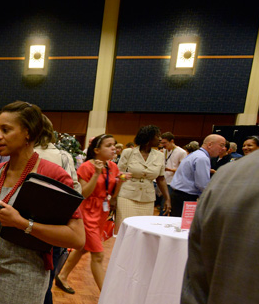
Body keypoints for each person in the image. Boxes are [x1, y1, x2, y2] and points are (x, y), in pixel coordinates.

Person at [0, 101, 85, 303]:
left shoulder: (53, 175)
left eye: (6, 130)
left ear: (27, 133)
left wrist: (22, 223)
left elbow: (77, 238)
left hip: (26, 278)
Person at [182, 137, 259, 304]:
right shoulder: (225, 171)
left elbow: (195, 287)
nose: (246, 147)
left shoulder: (228, 175)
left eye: (250, 145)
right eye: (245, 145)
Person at [56, 134, 129, 293]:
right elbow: (84, 194)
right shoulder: (86, 167)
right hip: (87, 212)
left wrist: (121, 181)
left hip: (101, 211)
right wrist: (96, 174)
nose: (113, 148)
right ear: (96, 150)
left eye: (114, 145)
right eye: (108, 145)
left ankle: (62, 276)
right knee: (98, 255)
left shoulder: (112, 166)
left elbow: (112, 194)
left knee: (84, 247)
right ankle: (106, 295)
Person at [32, 114, 82, 304]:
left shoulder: (22, 153)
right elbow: (75, 191)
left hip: (23, 221)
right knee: (47, 275)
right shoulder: (63, 156)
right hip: (54, 224)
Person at [116, 125, 171, 229]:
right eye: (157, 135)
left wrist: (167, 199)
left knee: (143, 229)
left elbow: (161, 178)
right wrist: (114, 196)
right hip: (127, 196)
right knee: (126, 228)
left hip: (147, 198)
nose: (160, 138)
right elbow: (119, 175)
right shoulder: (128, 153)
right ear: (148, 137)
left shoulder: (159, 155)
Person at [169, 134, 226, 217]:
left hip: (179, 195)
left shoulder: (196, 154)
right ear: (210, 145)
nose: (223, 148)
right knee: (184, 226)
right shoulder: (202, 158)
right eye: (221, 145)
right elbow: (202, 184)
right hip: (186, 197)